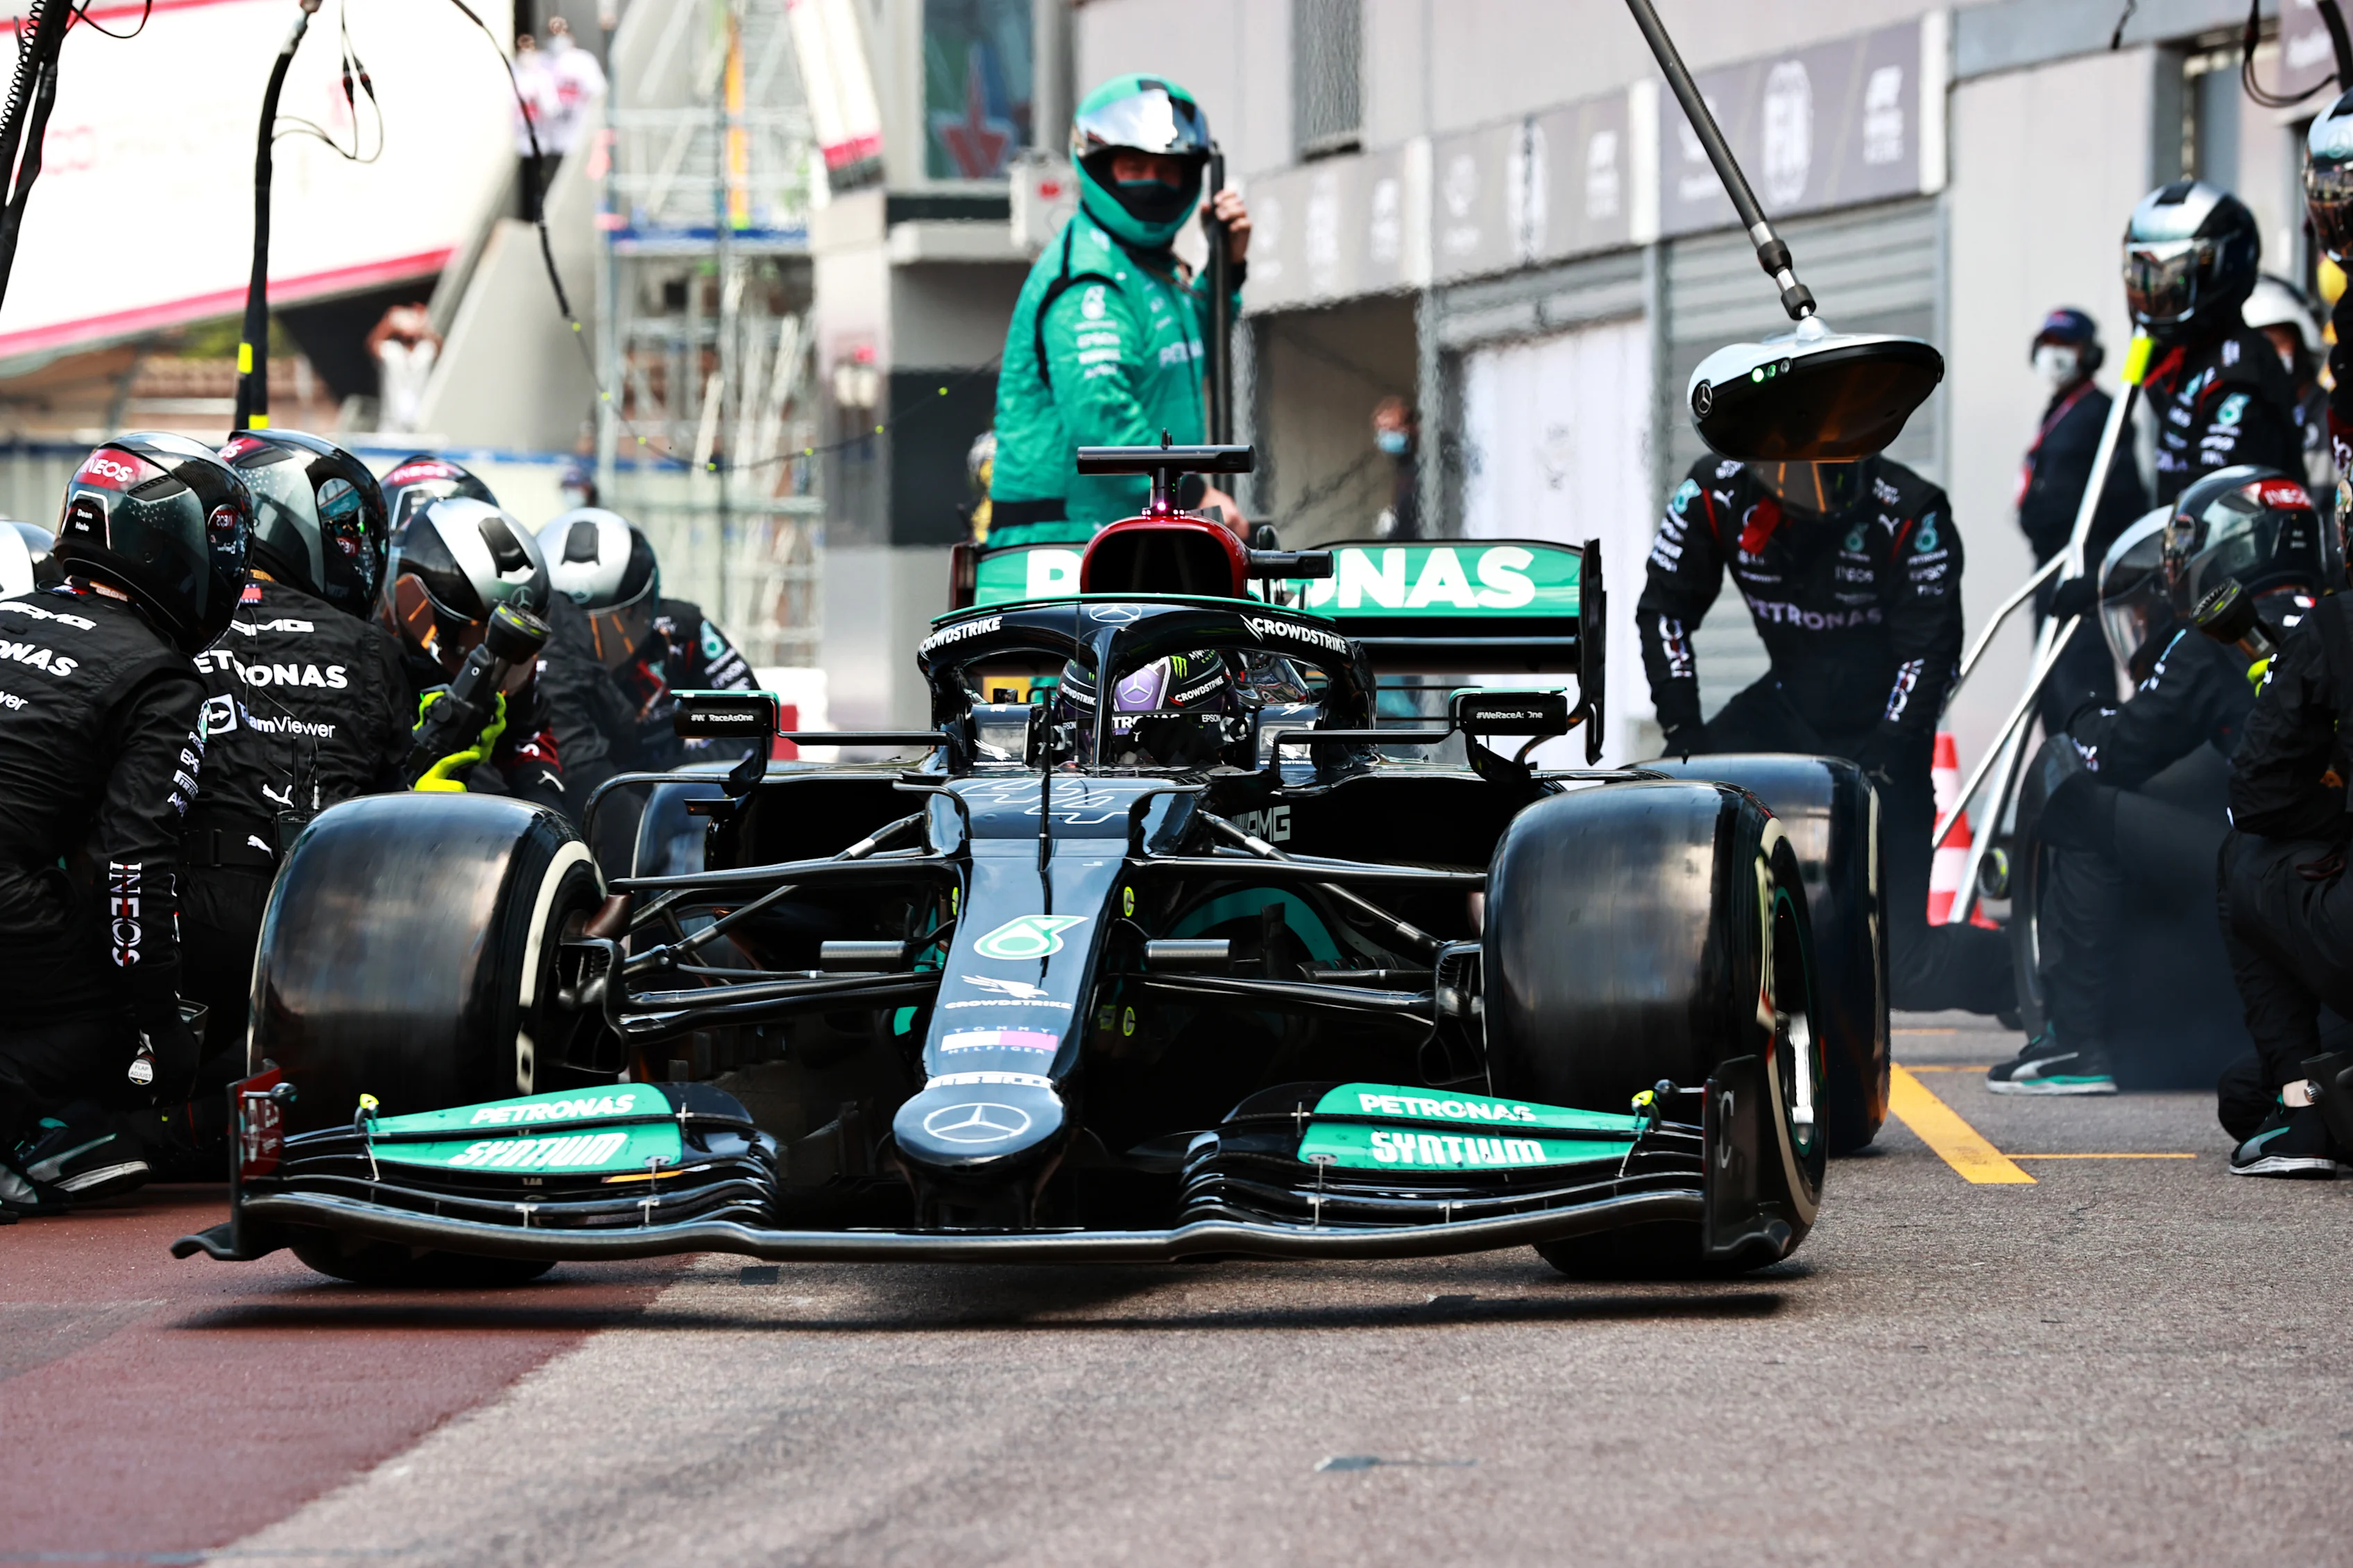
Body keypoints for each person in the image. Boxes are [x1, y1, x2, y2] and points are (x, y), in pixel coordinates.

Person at [1636, 455, 2010, 1015]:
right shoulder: (1715, 490)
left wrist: (1891, 750)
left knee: (1901, 968)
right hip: (1786, 706)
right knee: (1672, 793)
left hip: (1886, 734)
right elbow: (1663, 612)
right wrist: (1682, 728)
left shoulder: (1909, 510)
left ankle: (2038, 973)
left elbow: (1932, 652)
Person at [1990, 467, 2325, 1094]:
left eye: (2185, 547)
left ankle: (2078, 1042)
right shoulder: (2335, 616)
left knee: (2075, 792)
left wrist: (2085, 710)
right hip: (2331, 877)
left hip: (2271, 872)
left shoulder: (2216, 635)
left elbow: (2118, 752)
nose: (2177, 564)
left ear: (2233, 544)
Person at [0, 434, 251, 1214]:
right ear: (170, 542)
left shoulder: (8, 616)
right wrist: (155, 1022)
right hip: (13, 908)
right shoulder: (160, 676)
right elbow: (132, 864)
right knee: (120, 1023)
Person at [175, 432, 409, 1106]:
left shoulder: (180, 628)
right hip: (332, 924)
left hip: (191, 919)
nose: (356, 553)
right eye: (344, 533)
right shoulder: (372, 649)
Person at [986, 74, 1251, 549]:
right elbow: (1101, 414)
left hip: (1133, 538)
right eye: (1134, 166)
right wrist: (1193, 491)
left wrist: (1227, 268)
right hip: (1064, 547)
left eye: (1169, 170)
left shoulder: (1150, 268)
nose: (1154, 183)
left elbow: (1187, 363)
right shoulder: (1091, 277)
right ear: (1099, 166)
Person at [532, 508, 759, 868]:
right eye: (570, 626)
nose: (593, 647)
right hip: (576, 824)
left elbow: (746, 730)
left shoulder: (681, 636)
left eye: (612, 626)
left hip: (669, 814)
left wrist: (663, 785)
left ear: (645, 607)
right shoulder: (530, 664)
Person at [381, 496, 567, 812]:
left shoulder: (522, 688)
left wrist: (549, 814)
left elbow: (530, 743)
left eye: (518, 643)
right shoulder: (375, 671)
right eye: (486, 637)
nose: (505, 663)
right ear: (420, 613)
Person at [2124, 180, 2304, 507]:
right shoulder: (2178, 356)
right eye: (2143, 275)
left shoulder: (2240, 368)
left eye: (2171, 276)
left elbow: (2209, 496)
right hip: (2182, 543)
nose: (2154, 294)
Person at [2017, 308, 2148, 730]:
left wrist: (2105, 572)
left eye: (2066, 345)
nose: (2055, 355)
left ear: (2088, 353)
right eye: (2049, 344)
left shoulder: (2102, 413)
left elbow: (2127, 499)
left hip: (2084, 566)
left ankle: (2092, 778)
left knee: (2081, 688)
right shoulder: (2060, 411)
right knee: (2051, 696)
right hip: (2051, 565)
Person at [2241, 273, 2330, 492]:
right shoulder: (2247, 419)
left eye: (2277, 343)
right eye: (2259, 347)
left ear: (2302, 342)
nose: (2268, 356)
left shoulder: (2333, 417)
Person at [366, 304, 441, 436]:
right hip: (392, 421)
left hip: (420, 420)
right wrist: (390, 322)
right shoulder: (393, 350)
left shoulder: (424, 350)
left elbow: (439, 348)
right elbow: (373, 344)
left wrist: (423, 326)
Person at [1371, 396, 1420, 541]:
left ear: (1412, 427)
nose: (1386, 437)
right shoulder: (1404, 464)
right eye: (1382, 431)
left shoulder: (1432, 462)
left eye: (1392, 429)